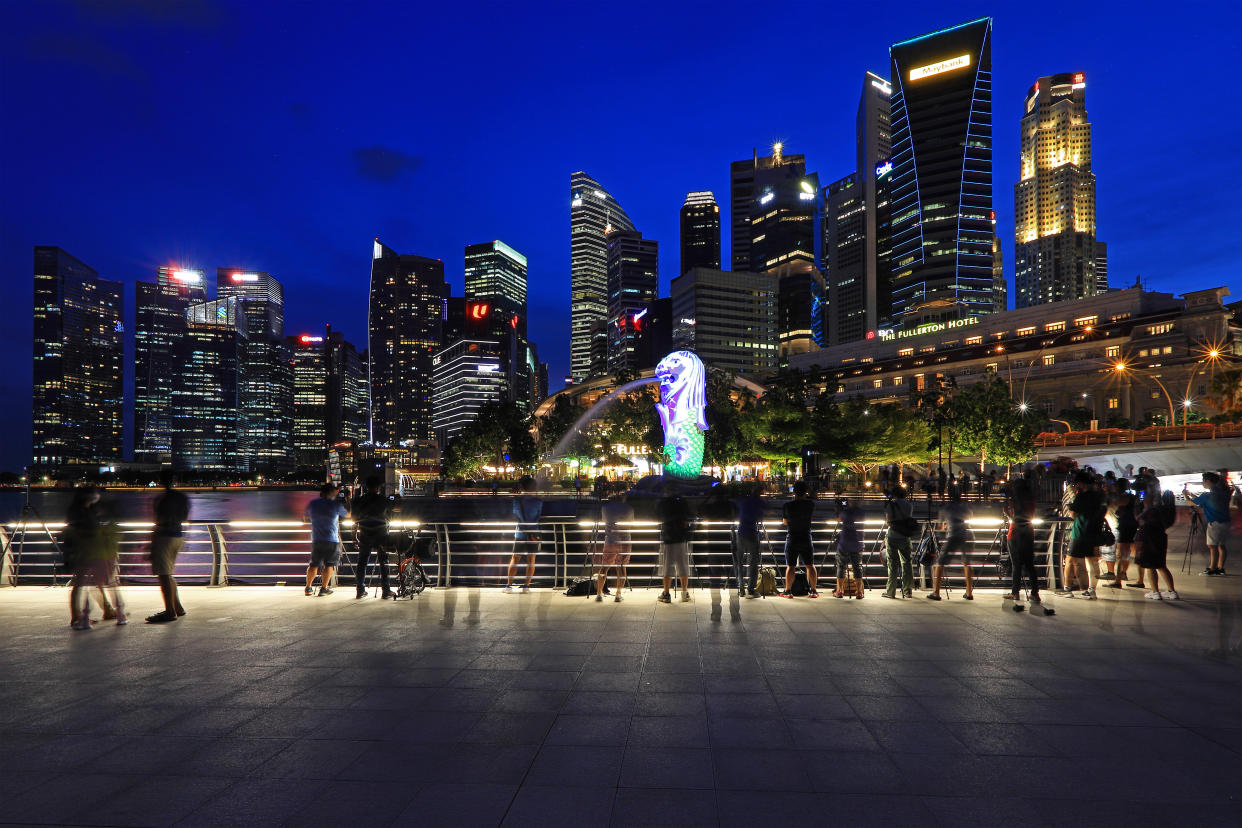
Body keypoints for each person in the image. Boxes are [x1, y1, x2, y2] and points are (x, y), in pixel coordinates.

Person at [67, 486, 126, 629]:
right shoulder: (81, 513)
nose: (97, 496)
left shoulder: (86, 511)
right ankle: (77, 616)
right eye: (94, 493)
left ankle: (106, 610)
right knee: (82, 583)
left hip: (91, 552)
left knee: (91, 582)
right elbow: (82, 531)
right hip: (86, 552)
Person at [146, 471, 189, 623]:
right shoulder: (182, 497)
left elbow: (159, 520)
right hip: (178, 535)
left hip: (164, 536)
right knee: (168, 573)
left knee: (163, 575)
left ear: (160, 481)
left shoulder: (162, 499)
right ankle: (177, 607)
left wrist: (151, 544)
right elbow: (184, 517)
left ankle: (170, 611)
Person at [351, 476, 395, 599]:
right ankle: (386, 591)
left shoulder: (358, 501)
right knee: (384, 563)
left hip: (364, 534)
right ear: (378, 487)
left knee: (362, 563)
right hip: (381, 535)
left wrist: (354, 536)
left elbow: (354, 519)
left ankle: (360, 590)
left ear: (366, 487)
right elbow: (390, 518)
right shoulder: (384, 501)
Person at [1064, 471, 1105, 599]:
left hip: (1080, 532)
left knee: (1070, 560)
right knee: (1092, 562)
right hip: (1094, 532)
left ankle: (1068, 589)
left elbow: (1073, 514)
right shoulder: (1100, 496)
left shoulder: (1081, 496)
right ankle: (1092, 590)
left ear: (1080, 483)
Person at [304, 482, 348, 596]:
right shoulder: (335, 505)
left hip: (317, 538)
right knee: (329, 564)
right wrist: (347, 500)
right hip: (331, 539)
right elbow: (348, 515)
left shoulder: (313, 503)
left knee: (314, 564)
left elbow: (305, 518)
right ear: (331, 492)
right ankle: (323, 589)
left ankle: (308, 588)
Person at [930, 489, 973, 600]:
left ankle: (936, 593)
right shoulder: (965, 506)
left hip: (954, 534)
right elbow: (969, 517)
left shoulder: (945, 508)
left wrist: (946, 524)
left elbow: (941, 526)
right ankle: (969, 593)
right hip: (968, 534)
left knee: (940, 562)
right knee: (967, 563)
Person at [1004, 476, 1041, 605]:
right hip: (1028, 533)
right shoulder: (1031, 501)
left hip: (1014, 534)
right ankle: (1035, 593)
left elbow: (1012, 516)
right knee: (1030, 565)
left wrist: (1006, 512)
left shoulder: (1014, 501)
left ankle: (1015, 592)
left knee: (1016, 565)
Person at [503, 475, 543, 593]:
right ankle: (526, 587)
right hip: (534, 532)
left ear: (522, 487)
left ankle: (509, 586)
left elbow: (516, 514)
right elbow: (538, 515)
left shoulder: (517, 500)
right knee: (531, 560)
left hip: (520, 533)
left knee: (515, 558)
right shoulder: (538, 501)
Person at [1189, 472, 1232, 576]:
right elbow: (1207, 503)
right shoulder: (1223, 493)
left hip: (1214, 523)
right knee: (1221, 545)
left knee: (1212, 546)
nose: (1202, 483)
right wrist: (1194, 497)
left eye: (1203, 481)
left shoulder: (1208, 495)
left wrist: (1186, 496)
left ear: (1208, 481)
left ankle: (1212, 568)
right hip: (1225, 522)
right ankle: (1220, 568)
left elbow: (1192, 503)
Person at [657, 483, 693, 603]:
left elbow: (658, 516)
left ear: (667, 490)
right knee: (683, 566)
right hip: (682, 538)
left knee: (667, 567)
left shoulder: (664, 503)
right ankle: (684, 592)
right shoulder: (682, 502)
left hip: (669, 538)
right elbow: (689, 516)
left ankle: (666, 593)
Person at [780, 480, 818, 597]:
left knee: (790, 566)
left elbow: (785, 522)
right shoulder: (810, 505)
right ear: (805, 491)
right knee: (810, 565)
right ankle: (813, 590)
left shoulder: (787, 506)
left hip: (792, 536)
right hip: (806, 536)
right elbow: (812, 497)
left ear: (794, 492)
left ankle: (788, 590)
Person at [594, 492, 634, 602]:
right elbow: (631, 523)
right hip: (625, 541)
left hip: (610, 541)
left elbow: (604, 520)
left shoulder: (606, 507)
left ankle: (599, 593)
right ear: (623, 497)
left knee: (604, 568)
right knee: (621, 568)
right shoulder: (629, 508)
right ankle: (618, 594)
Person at [1135, 498, 1177, 600]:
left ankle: (1155, 592)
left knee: (1150, 567)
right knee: (1161, 566)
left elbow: (1141, 525)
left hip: (1149, 542)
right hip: (1160, 541)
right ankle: (1172, 591)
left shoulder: (1148, 513)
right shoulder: (1160, 512)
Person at [699, 487, 738, 591]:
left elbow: (699, 510)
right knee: (731, 575)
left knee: (714, 577)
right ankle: (734, 596)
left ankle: (715, 599)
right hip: (727, 543)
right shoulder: (730, 506)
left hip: (713, 544)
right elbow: (736, 515)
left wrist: (709, 497)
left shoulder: (710, 507)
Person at [882, 486, 915, 599]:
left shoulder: (891, 505)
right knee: (906, 563)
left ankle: (891, 591)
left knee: (892, 564)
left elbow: (888, 521)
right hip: (905, 536)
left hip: (893, 536)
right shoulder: (909, 505)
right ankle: (908, 590)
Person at [733, 484, 765, 598]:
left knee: (739, 562)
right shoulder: (759, 501)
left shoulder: (744, 501)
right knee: (753, 562)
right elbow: (762, 514)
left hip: (741, 532)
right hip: (752, 533)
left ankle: (741, 588)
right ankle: (750, 589)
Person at [1111, 485, 1141, 589]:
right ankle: (1124, 574)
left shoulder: (1125, 497)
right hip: (1132, 527)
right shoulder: (1133, 498)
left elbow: (1114, 504)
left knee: (1120, 554)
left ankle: (1117, 580)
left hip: (1125, 527)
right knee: (1127, 553)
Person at [834, 498, 864, 598]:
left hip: (844, 543)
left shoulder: (846, 512)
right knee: (857, 567)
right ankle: (859, 591)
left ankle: (840, 591)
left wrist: (839, 508)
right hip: (857, 543)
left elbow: (839, 519)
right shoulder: (861, 512)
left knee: (841, 566)